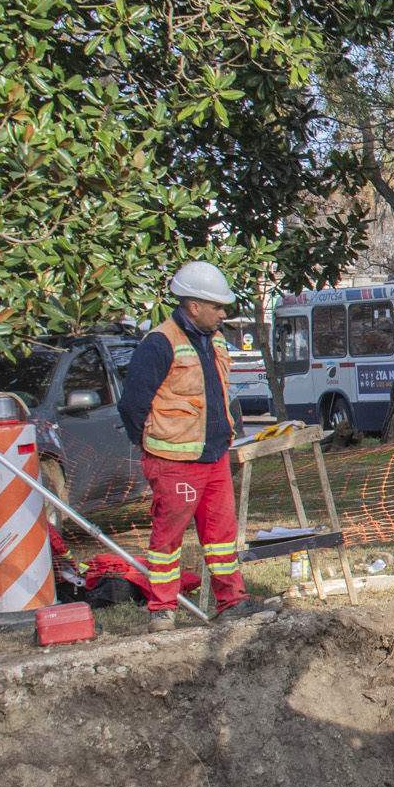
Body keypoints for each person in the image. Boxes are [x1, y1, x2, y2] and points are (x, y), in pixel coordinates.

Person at [117, 261, 268, 627]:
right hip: (173, 460)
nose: (222, 314)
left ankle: (231, 602)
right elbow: (132, 404)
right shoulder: (159, 343)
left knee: (220, 538)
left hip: (214, 455)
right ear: (193, 306)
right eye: (216, 307)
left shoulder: (213, 340)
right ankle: (162, 608)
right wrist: (152, 445)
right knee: (168, 537)